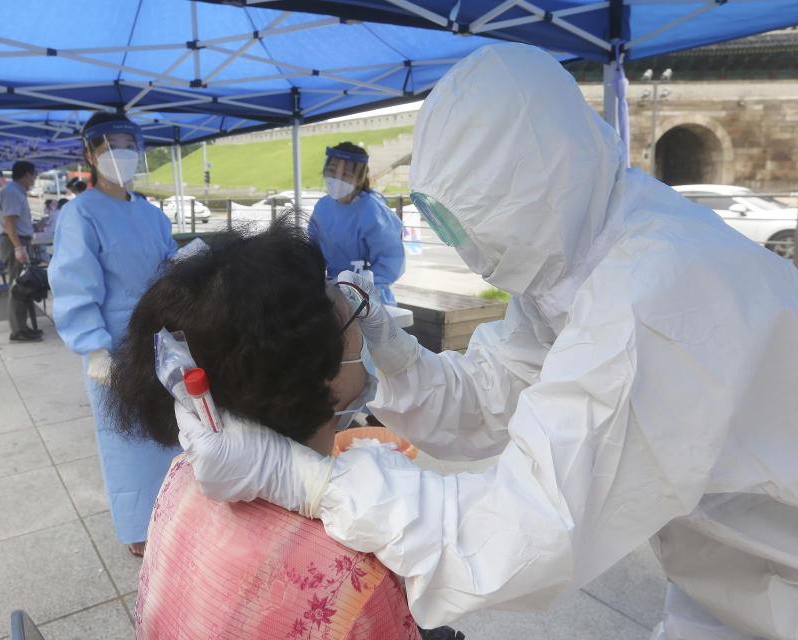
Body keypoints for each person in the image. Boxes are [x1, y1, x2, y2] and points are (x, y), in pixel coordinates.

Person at [176, 43, 798, 639]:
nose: (466, 249)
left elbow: (525, 533)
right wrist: (388, 356)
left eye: (471, 221)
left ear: (537, 186)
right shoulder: (574, 260)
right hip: (725, 572)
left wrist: (315, 484)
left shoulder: (653, 293)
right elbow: (491, 399)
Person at [107, 223, 423, 639]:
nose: (357, 319)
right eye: (347, 320)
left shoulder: (180, 478)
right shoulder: (355, 578)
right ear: (315, 375)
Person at [48, 111, 179, 557]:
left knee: (168, 433)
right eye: (108, 146)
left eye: (127, 143)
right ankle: (139, 530)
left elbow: (168, 266)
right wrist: (94, 349)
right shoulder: (80, 213)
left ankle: (176, 518)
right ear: (89, 154)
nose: (119, 153)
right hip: (113, 345)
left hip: (159, 340)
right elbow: (73, 281)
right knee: (125, 439)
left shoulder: (152, 214)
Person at [308, 142, 405, 305]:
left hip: (369, 300)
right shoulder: (323, 207)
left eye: (345, 174)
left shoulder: (372, 211)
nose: (336, 179)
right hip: (332, 294)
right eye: (332, 171)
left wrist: (365, 289)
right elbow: (311, 249)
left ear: (359, 178)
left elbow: (391, 260)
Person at [0, 160, 41, 342]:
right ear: (27, 174)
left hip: (18, 240)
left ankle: (23, 327)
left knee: (24, 286)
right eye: (34, 175)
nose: (34, 179)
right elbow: (9, 222)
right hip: (14, 242)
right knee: (18, 287)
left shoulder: (15, 192)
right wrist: (18, 248)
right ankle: (18, 331)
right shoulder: (13, 193)